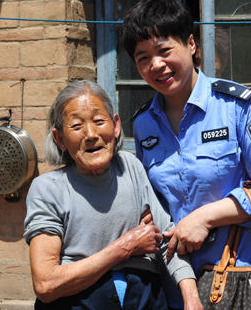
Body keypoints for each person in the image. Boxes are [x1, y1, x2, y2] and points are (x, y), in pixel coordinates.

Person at [122, 0, 251, 309]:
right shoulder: (144, 124)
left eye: (164, 50)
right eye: (143, 58)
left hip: (242, 280)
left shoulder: (238, 106)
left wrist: (204, 218)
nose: (156, 65)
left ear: (191, 44)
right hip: (178, 286)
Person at [23, 81, 202, 310]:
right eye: (77, 126)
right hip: (78, 301)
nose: (91, 134)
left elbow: (167, 237)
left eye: (99, 121)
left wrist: (191, 297)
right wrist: (124, 247)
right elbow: (46, 285)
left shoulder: (129, 166)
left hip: (145, 297)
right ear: (60, 139)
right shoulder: (48, 188)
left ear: (116, 126)